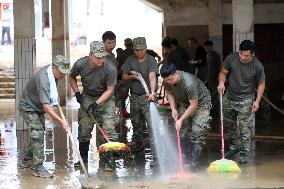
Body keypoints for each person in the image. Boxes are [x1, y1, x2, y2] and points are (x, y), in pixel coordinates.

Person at [19, 55, 71, 178]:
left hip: (36, 106)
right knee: (38, 135)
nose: (63, 76)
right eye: (61, 72)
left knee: (39, 132)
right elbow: (46, 107)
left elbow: (50, 96)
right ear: (54, 67)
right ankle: (38, 168)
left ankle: (27, 160)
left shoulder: (53, 73)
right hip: (28, 106)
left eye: (65, 73)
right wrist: (61, 122)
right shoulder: (44, 79)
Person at [69, 41, 118, 169]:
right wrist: (77, 93)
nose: (101, 60)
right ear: (90, 55)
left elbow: (110, 90)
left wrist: (96, 103)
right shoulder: (81, 64)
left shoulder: (110, 68)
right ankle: (83, 160)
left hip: (106, 97)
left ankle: (107, 160)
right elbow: (71, 76)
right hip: (88, 96)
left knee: (107, 129)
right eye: (97, 57)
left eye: (102, 56)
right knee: (84, 128)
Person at [217, 40, 265, 164]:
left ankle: (244, 153)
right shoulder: (231, 58)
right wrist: (221, 82)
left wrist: (257, 101)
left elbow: (261, 84)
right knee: (229, 126)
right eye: (241, 54)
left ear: (252, 54)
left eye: (246, 55)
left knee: (244, 129)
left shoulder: (257, 66)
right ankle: (234, 147)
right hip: (229, 97)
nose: (243, 57)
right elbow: (223, 72)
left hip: (246, 100)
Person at [160, 62, 211, 171]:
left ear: (177, 73)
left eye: (171, 79)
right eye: (167, 80)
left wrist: (181, 119)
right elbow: (169, 93)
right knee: (181, 130)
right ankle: (185, 157)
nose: (169, 82)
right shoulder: (167, 80)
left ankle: (194, 162)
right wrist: (173, 108)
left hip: (201, 103)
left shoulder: (189, 83)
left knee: (198, 131)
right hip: (184, 102)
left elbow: (194, 105)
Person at [121, 37, 158, 162]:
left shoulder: (151, 60)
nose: (139, 52)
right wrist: (133, 76)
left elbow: (152, 76)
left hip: (148, 97)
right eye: (136, 50)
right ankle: (139, 152)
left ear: (146, 48)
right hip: (135, 97)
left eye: (141, 50)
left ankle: (155, 154)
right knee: (136, 125)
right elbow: (124, 76)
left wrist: (152, 93)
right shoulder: (130, 60)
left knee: (152, 125)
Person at [204, 40, 222, 132]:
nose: (207, 49)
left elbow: (220, 66)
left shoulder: (216, 55)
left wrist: (220, 77)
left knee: (215, 96)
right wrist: (207, 78)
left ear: (212, 47)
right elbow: (208, 68)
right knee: (211, 95)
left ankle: (215, 112)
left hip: (215, 79)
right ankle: (212, 110)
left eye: (209, 47)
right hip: (210, 79)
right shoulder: (207, 56)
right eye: (206, 47)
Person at [116, 38, 134, 118]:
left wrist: (119, 72)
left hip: (124, 78)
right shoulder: (136, 53)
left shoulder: (121, 53)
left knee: (123, 97)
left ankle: (123, 112)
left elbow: (117, 65)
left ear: (125, 45)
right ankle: (135, 113)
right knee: (135, 96)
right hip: (135, 78)